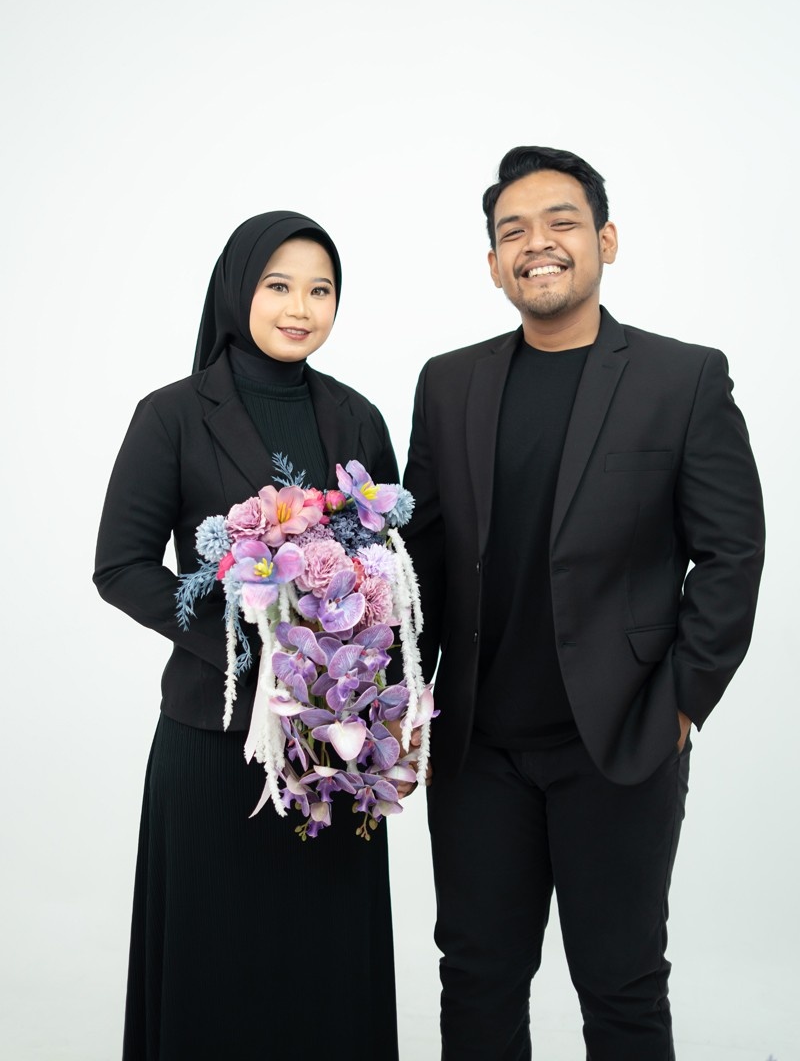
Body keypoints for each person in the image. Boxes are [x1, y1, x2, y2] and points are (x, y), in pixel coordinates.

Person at [402, 147, 765, 1060]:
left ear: (605, 240)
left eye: (561, 222)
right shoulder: (448, 382)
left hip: (622, 741)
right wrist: (401, 699)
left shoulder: (682, 378)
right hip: (478, 749)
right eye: (513, 232)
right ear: (493, 264)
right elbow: (424, 557)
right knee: (476, 979)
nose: (538, 243)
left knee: (622, 984)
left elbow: (732, 553)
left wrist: (681, 703)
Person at [94, 211, 400, 1060]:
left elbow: (393, 567)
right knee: (215, 974)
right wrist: (251, 648)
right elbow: (120, 565)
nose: (301, 307)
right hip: (214, 738)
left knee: (326, 972)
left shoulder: (358, 417)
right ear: (238, 291)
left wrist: (366, 677)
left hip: (335, 748)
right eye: (279, 286)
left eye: (320, 290)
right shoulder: (172, 414)